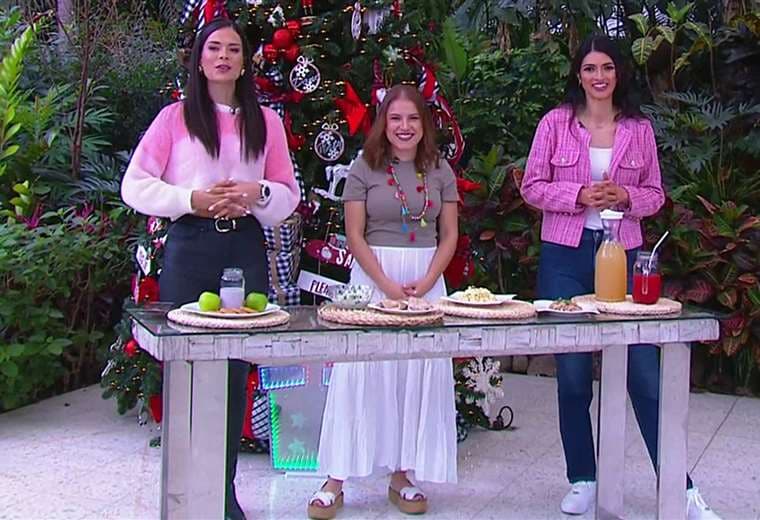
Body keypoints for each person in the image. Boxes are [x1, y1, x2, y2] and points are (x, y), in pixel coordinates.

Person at [520, 35, 720, 520]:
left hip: (623, 253)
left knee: (644, 373)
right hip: (565, 255)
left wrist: (625, 197)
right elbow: (532, 186)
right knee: (572, 376)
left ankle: (681, 490)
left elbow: (655, 194)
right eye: (590, 68)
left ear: (618, 73)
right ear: (579, 74)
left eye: (607, 67)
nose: (599, 77)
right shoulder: (554, 123)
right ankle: (583, 479)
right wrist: (578, 194)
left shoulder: (638, 129)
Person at [121, 18, 300, 520]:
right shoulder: (175, 118)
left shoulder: (266, 122)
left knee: (233, 368)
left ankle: (223, 495)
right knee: (186, 367)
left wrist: (257, 192)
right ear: (199, 60)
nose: (223, 57)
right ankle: (185, 493)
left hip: (243, 247)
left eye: (233, 50)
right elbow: (135, 185)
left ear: (245, 62)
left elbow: (287, 195)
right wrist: (191, 199)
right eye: (214, 48)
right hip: (190, 247)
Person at [307, 85, 459, 519]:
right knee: (359, 375)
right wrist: (387, 286)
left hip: (425, 283)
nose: (404, 127)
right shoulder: (364, 167)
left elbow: (449, 234)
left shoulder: (440, 169)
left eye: (412, 118)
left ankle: (401, 476)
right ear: (383, 123)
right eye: (395, 118)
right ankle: (335, 479)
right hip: (374, 280)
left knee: (414, 375)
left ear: (424, 123)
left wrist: (427, 281)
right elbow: (355, 236)